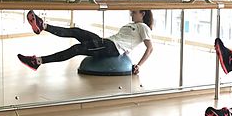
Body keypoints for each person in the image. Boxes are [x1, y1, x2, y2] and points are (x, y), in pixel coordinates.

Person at [17, 10, 154, 74]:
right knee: (77, 31)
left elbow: (150, 48)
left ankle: (38, 61)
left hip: (111, 49)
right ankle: (43, 26)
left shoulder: (144, 27)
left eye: (134, 12)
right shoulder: (131, 25)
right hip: (106, 42)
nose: (131, 14)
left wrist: (139, 65)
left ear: (143, 14)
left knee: (77, 48)